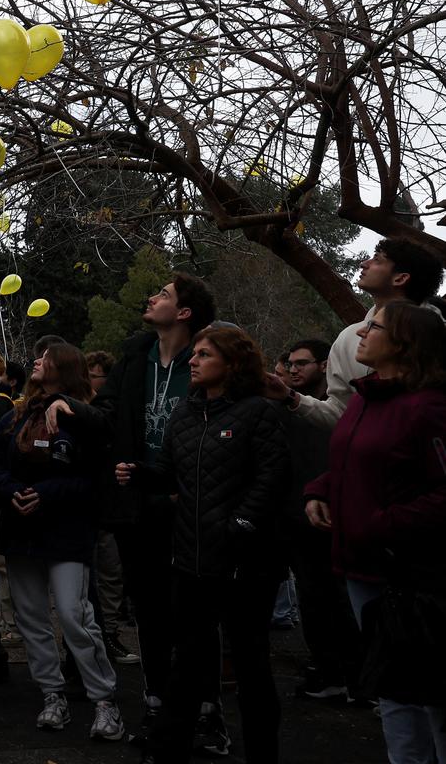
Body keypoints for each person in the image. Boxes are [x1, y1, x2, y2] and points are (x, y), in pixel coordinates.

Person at [116, 325, 288, 764]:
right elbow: (170, 471)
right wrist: (139, 471)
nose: (192, 361)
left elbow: (271, 479)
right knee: (188, 661)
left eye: (205, 355)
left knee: (251, 664)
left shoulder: (258, 413)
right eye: (194, 354)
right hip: (191, 560)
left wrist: (240, 525)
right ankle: (169, 748)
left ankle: (262, 752)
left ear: (233, 364)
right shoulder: (187, 413)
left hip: (244, 563)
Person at [305, 300, 446, 762]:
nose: (361, 332)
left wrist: (380, 526)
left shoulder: (430, 408)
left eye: (374, 326)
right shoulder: (366, 396)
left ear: (404, 345)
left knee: (433, 696)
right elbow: (350, 459)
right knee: (392, 689)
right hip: (361, 567)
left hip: (414, 577)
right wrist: (321, 490)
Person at [95, 273, 225, 749]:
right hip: (138, 504)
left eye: (164, 295)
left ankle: (207, 711)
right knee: (148, 610)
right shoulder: (135, 354)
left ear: (185, 313)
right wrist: (66, 406)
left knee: (193, 615)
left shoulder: (208, 360)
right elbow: (108, 411)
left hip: (191, 506)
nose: (153, 299)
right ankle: (156, 703)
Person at [0, 342, 124, 740]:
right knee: (31, 619)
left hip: (66, 531)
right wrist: (11, 489)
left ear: (63, 368)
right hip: (20, 531)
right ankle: (53, 695)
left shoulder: (84, 417)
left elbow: (94, 477)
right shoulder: (15, 416)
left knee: (73, 614)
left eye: (45, 357)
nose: (35, 361)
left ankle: (104, 700)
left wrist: (48, 493)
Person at [272, 337, 364, 703]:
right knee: (312, 602)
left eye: (302, 363)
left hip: (338, 519)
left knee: (345, 601)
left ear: (325, 365)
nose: (294, 369)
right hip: (296, 520)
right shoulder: (281, 410)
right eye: (290, 364)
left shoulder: (340, 410)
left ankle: (360, 680)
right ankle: (328, 673)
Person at [270, 239, 442, 429]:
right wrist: (289, 396)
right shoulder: (348, 338)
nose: (363, 263)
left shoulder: (438, 338)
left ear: (400, 278)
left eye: (377, 260)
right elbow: (340, 412)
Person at [83, 349, 134, 666]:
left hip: (112, 505)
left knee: (111, 574)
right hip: (85, 506)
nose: (90, 381)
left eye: (95, 375)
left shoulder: (119, 412)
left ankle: (110, 633)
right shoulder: (75, 409)